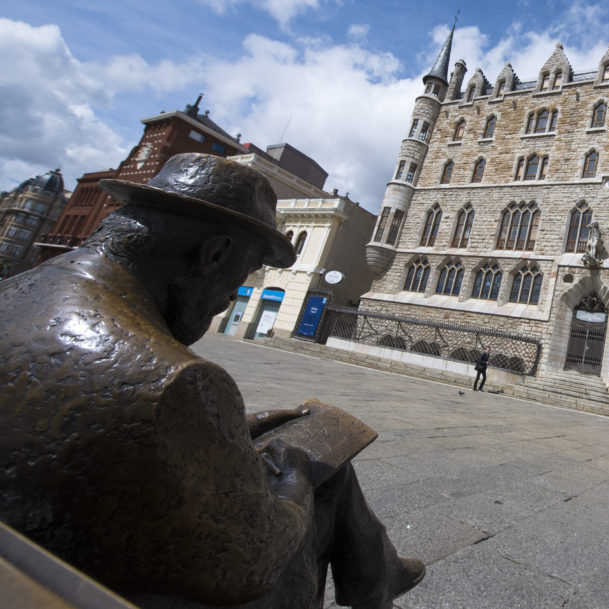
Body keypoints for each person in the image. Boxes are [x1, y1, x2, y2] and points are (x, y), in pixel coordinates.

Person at [0, 154, 423, 609]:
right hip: (106, 584)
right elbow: (254, 560)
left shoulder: (16, 291)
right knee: (323, 465)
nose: (225, 300)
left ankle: (380, 577)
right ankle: (376, 583)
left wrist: (231, 425)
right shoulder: (176, 377)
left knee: (303, 438)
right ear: (214, 254)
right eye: (237, 277)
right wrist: (296, 478)